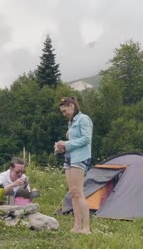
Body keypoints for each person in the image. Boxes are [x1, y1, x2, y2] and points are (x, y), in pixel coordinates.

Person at [55, 96, 93, 234]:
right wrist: (62, 148)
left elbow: (86, 139)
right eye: (62, 112)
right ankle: (77, 226)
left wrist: (67, 143)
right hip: (69, 157)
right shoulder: (71, 123)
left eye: (65, 111)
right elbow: (71, 143)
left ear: (72, 106)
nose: (64, 114)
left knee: (78, 191)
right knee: (72, 192)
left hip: (80, 157)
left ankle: (86, 228)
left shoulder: (84, 119)